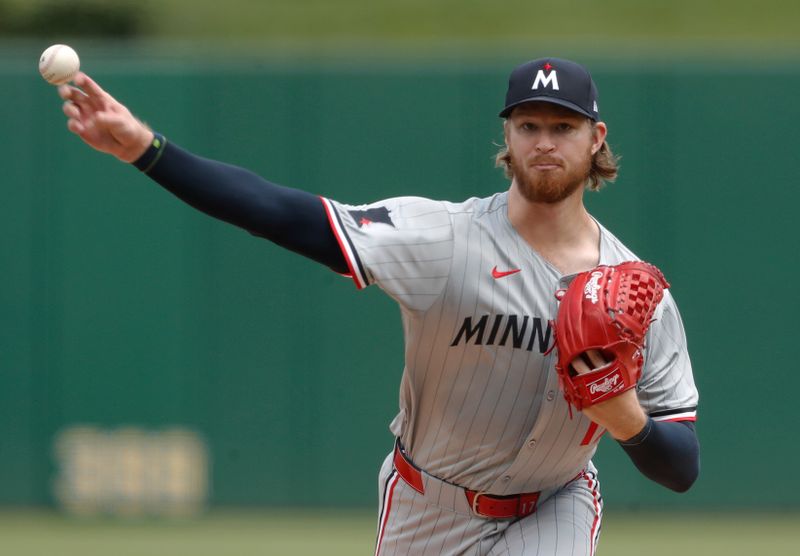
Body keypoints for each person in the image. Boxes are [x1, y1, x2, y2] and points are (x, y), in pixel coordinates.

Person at [57, 57, 700, 556]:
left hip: (555, 502)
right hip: (429, 506)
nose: (544, 142)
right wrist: (146, 149)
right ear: (506, 133)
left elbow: (681, 467)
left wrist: (627, 422)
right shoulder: (446, 239)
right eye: (528, 125)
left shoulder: (637, 294)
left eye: (563, 126)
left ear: (596, 138)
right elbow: (281, 215)